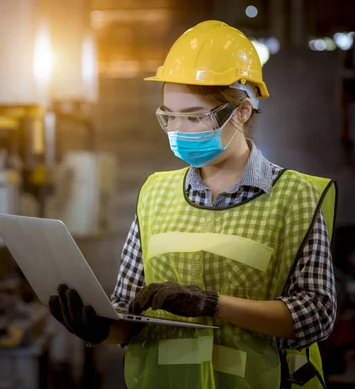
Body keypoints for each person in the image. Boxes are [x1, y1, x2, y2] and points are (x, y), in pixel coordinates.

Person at [48, 20, 337, 389]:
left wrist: (213, 305)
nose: (178, 131)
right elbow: (130, 316)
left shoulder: (293, 196)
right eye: (169, 115)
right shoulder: (155, 194)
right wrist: (99, 327)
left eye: (195, 117)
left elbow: (317, 315)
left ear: (243, 111)